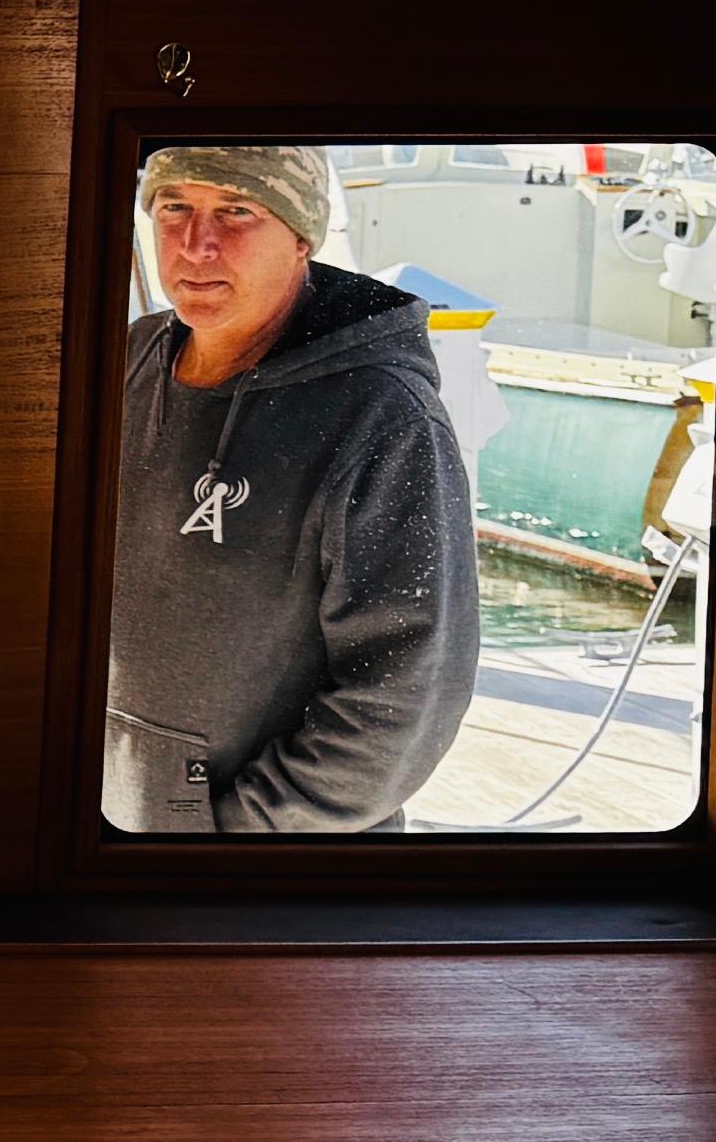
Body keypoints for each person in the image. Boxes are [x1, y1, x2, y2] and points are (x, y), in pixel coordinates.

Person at [106, 144, 478, 832]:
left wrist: (233, 836)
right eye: (174, 208)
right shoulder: (125, 360)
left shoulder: (383, 416)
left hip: (270, 884)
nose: (196, 244)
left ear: (301, 234)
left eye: (236, 212)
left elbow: (406, 693)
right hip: (115, 837)